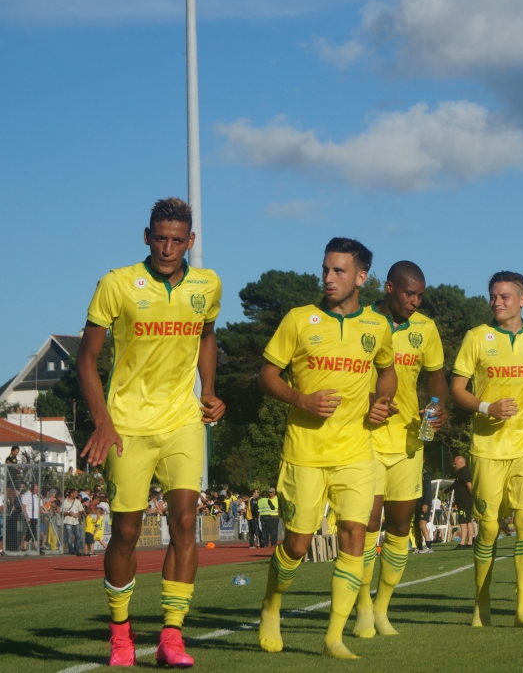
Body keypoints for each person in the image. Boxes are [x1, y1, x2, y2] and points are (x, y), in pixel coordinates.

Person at [77, 197, 223, 667]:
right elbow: (86, 357)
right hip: (127, 425)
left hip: (182, 420)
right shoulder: (117, 284)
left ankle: (171, 637)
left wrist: (210, 390)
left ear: (190, 242)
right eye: (160, 238)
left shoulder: (208, 284)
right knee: (126, 531)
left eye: (177, 240)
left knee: (184, 523)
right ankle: (121, 635)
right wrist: (103, 420)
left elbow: (207, 335)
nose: (167, 247)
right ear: (146, 236)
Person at [256, 237, 397, 658]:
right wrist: (301, 399)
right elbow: (267, 375)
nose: (328, 278)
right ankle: (272, 604)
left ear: (361, 277)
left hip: (356, 452)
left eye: (338, 271)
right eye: (325, 270)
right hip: (305, 452)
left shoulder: (376, 326)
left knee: (356, 535)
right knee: (297, 544)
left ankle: (334, 637)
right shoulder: (299, 320)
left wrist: (381, 402)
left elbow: (387, 373)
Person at [450, 271, 523, 628]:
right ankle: (482, 602)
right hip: (487, 448)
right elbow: (457, 389)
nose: (497, 302)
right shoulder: (477, 338)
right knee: (490, 528)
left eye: (505, 296)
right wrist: (487, 408)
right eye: (493, 296)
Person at [353, 260, 448, 639]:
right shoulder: (359, 319)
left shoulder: (425, 328)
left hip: (410, 441)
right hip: (366, 438)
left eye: (420, 295)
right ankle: (361, 606)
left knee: (400, 526)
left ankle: (381, 608)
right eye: (410, 293)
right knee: (366, 523)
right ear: (389, 288)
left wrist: (438, 405)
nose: (415, 301)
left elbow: (436, 374)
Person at [452, 455, 475, 548]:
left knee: (463, 521)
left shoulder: (464, 471)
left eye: (455, 463)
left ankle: (463, 543)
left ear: (461, 463)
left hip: (465, 502)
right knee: (468, 521)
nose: (454, 465)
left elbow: (469, 485)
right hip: (464, 502)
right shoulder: (461, 472)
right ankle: (470, 542)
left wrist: (473, 497)